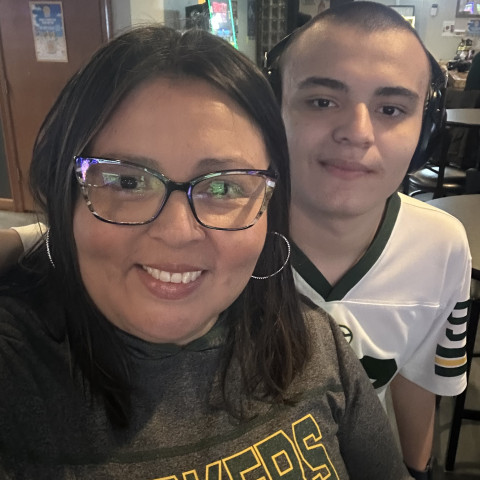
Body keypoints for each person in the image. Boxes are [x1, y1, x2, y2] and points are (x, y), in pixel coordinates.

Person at [0, 25, 411, 478]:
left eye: (222, 187)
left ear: (269, 205)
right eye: (127, 181)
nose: (177, 232)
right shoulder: (16, 373)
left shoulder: (310, 342)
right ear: (65, 193)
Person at [265, 2, 472, 478]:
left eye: (391, 109)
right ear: (274, 111)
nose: (357, 133)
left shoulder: (441, 246)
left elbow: (417, 377)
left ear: (426, 131)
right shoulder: (219, 233)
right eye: (322, 101)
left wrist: (417, 471)